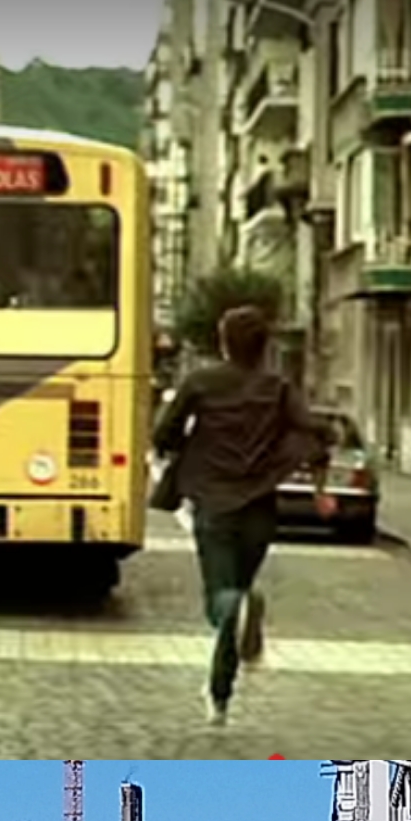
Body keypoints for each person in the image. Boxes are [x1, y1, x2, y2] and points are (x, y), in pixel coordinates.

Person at [152, 305, 334, 726]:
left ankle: (236, 622)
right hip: (259, 507)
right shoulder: (278, 386)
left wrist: (180, 446)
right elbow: (313, 430)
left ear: (223, 342)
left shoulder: (201, 382)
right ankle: (220, 695)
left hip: (214, 503)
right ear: (264, 345)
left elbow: (164, 431)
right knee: (236, 607)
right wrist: (320, 488)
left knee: (222, 600)